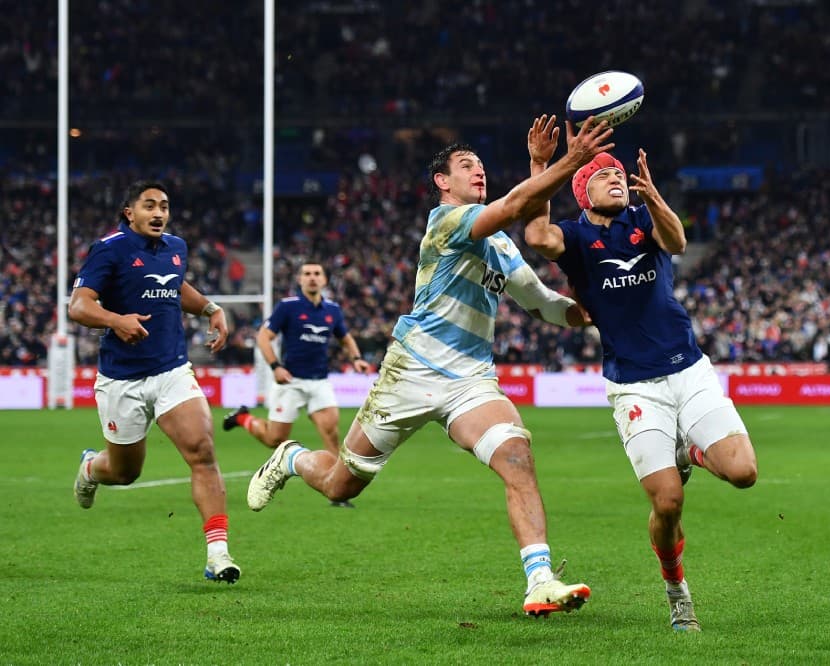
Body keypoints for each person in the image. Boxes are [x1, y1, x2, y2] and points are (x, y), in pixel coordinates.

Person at [246, 115, 614, 617]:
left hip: (470, 381)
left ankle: (541, 580)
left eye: (482, 165)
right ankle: (291, 458)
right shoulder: (445, 222)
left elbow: (545, 305)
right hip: (411, 372)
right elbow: (510, 207)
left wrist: (588, 312)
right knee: (340, 483)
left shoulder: (501, 247)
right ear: (443, 181)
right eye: (467, 166)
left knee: (517, 457)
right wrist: (561, 163)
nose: (478, 172)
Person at [523, 149, 759, 631]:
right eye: (602, 175)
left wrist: (655, 199)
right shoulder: (575, 235)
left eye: (618, 173)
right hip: (633, 386)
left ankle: (688, 452)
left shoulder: (643, 218)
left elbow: (676, 238)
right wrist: (544, 169)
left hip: (688, 370)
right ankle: (678, 593)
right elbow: (535, 235)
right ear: (581, 190)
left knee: (743, 472)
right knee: (668, 503)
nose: (615, 178)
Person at [69, 180, 241, 584]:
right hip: (121, 380)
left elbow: (174, 285)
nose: (159, 212)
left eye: (164, 205)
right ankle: (92, 468)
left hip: (171, 371)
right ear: (130, 212)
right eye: (149, 205)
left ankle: (218, 553)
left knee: (202, 450)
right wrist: (116, 320)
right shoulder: (109, 248)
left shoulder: (175, 248)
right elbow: (79, 305)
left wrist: (211, 308)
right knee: (126, 472)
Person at [222, 261, 371, 507]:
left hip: (319, 382)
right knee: (274, 439)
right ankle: (243, 418)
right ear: (300, 280)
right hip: (290, 381)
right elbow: (263, 337)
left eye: (317, 273)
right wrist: (275, 367)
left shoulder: (332, 310)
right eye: (307, 274)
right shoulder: (288, 307)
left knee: (331, 433)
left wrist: (356, 359)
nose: (312, 278)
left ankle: (336, 491)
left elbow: (345, 338)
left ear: (324, 280)